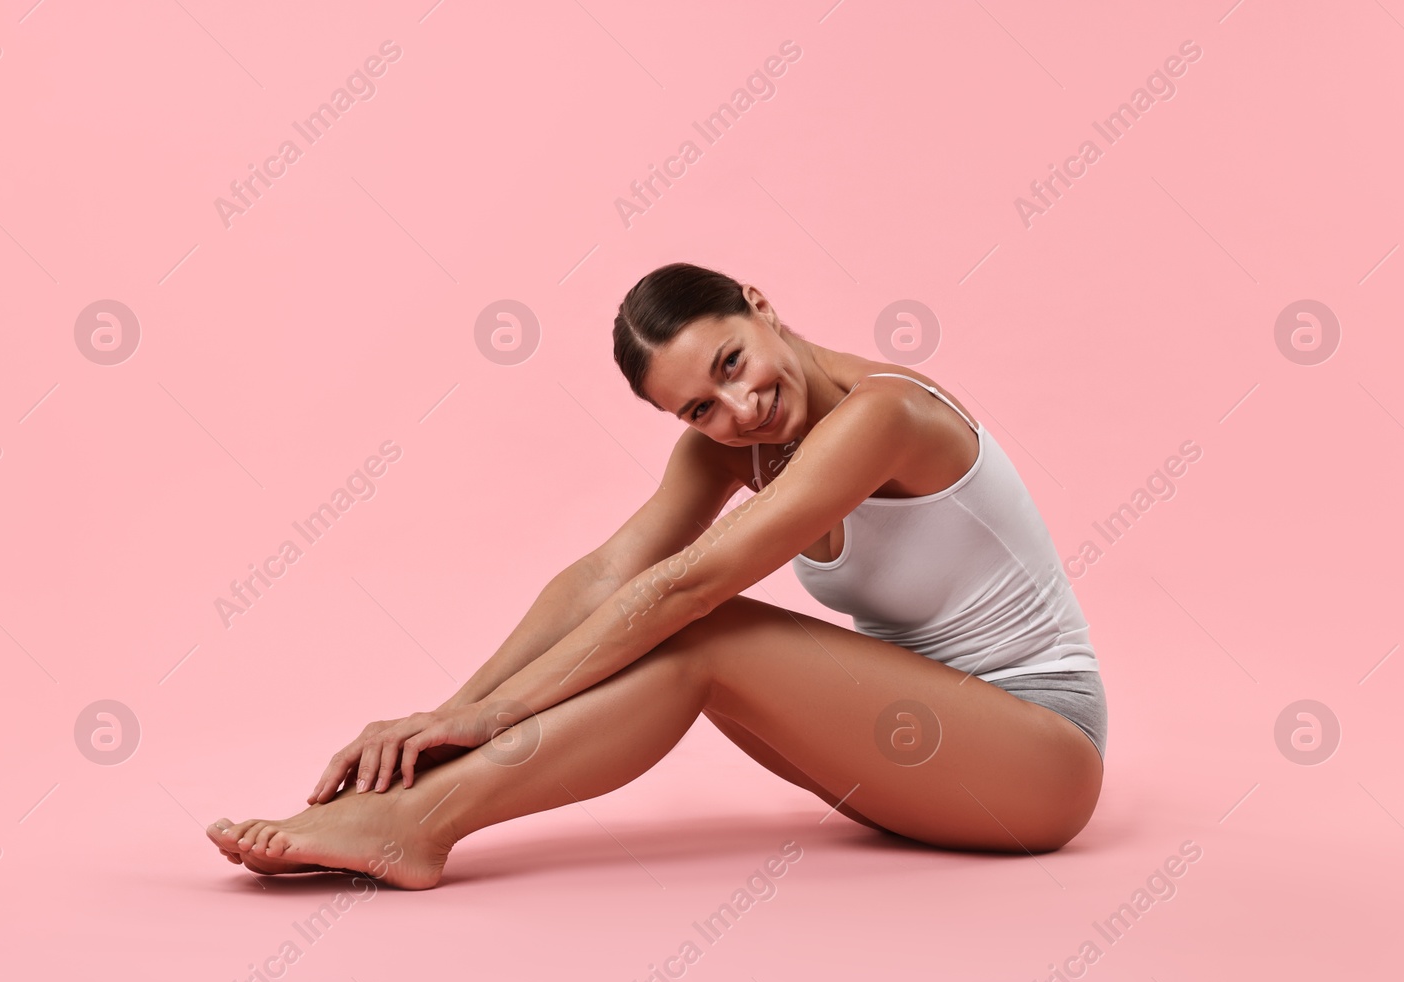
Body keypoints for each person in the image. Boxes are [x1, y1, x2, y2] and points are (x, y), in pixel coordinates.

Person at [207, 262, 1107, 889]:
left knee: (702, 628)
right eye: (699, 407)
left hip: (1041, 761)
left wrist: (489, 717)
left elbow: (683, 590)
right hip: (924, 761)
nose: (741, 408)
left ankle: (419, 826)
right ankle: (411, 801)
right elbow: (607, 576)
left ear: (760, 304)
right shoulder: (737, 447)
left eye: (733, 362)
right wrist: (449, 715)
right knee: (665, 633)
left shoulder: (888, 414)